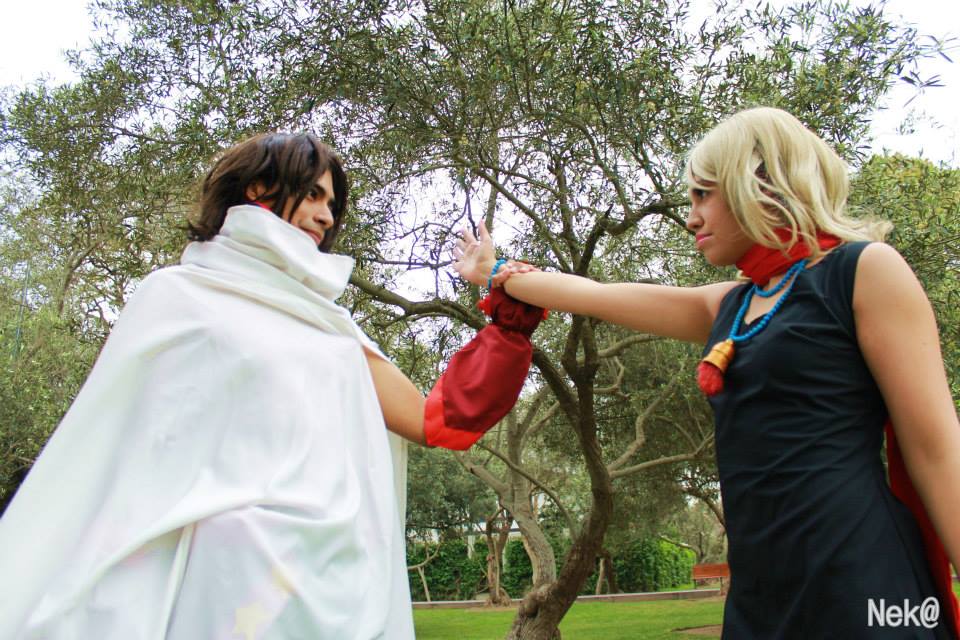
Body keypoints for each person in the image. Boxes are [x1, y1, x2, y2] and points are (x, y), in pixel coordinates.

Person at [0, 132, 544, 639]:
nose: (325, 216)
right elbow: (117, 452)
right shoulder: (176, 296)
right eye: (312, 195)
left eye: (332, 204)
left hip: (323, 583)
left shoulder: (331, 326)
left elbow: (435, 421)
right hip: (212, 581)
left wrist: (508, 325)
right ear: (258, 188)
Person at [454, 107, 960, 638]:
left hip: (860, 579)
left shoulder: (863, 271)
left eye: (703, 194)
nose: (691, 217)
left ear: (761, 182)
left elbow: (935, 449)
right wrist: (494, 273)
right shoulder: (730, 306)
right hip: (761, 594)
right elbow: (595, 295)